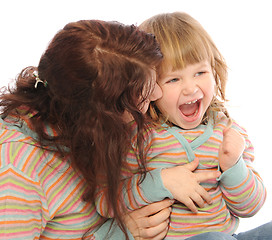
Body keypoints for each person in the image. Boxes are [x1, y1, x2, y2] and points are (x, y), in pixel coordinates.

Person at [96, 12, 272, 240]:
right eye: (173, 79)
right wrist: (160, 182)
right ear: (149, 87)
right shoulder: (137, 136)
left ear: (214, 70)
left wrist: (233, 166)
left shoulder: (227, 131)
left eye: (200, 73)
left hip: (229, 237)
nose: (191, 88)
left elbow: (249, 206)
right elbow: (106, 201)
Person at [0, 19, 192, 240]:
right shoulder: (16, 172)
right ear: (100, 115)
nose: (157, 94)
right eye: (143, 94)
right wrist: (116, 235)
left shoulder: (90, 127)